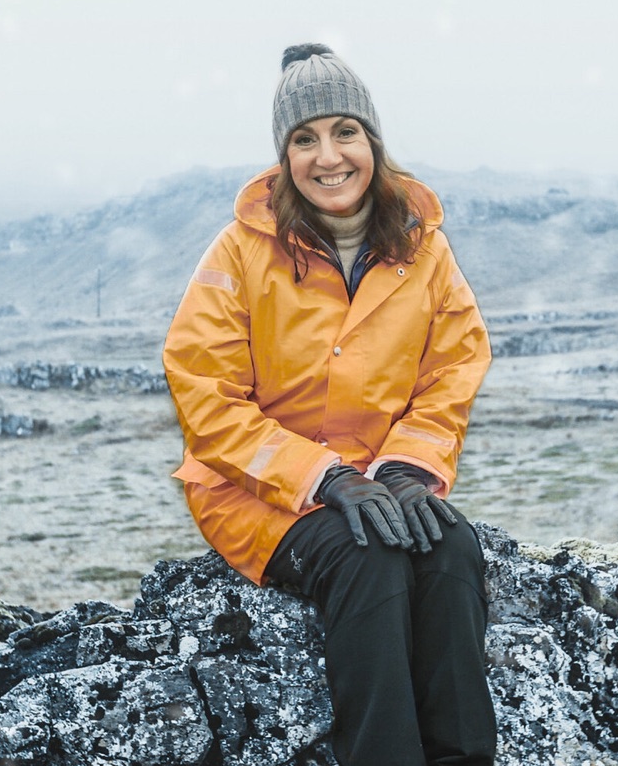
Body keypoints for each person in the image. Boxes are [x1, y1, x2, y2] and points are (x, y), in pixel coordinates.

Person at [162, 43, 497, 765]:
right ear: (284, 158)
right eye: (304, 139)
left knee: (449, 548)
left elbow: (455, 366)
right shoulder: (239, 252)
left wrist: (409, 468)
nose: (328, 155)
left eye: (345, 131)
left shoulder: (424, 249)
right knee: (366, 557)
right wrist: (323, 477)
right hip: (253, 490)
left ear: (372, 142)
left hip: (381, 477)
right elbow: (203, 390)